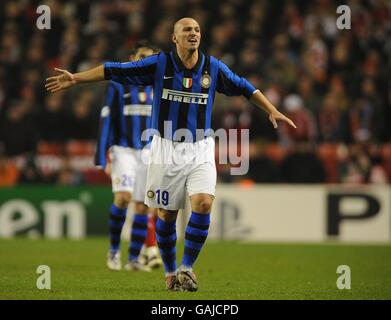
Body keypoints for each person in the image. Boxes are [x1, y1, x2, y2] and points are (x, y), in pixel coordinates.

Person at [46, 17, 296, 292]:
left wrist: (271, 109)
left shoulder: (213, 67)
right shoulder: (158, 64)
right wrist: (76, 78)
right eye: (187, 29)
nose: (193, 33)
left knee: (202, 204)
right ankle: (169, 271)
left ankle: (187, 268)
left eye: (197, 29)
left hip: (200, 146)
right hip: (165, 148)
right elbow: (114, 70)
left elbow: (245, 86)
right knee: (166, 215)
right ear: (174, 38)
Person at [95, 41, 162, 272]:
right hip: (122, 148)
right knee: (123, 198)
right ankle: (114, 250)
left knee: (143, 206)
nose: (146, 62)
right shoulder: (117, 83)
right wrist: (101, 156)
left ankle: (133, 259)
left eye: (151, 58)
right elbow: (106, 119)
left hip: (149, 151)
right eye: (142, 56)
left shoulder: (159, 85)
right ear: (133, 58)